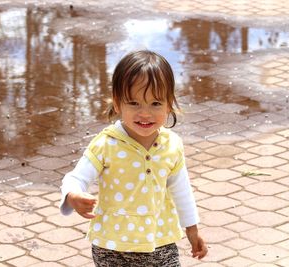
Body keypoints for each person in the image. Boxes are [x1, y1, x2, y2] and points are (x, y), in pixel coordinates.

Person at [60, 50, 207, 266]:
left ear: (169, 104)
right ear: (118, 104)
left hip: (160, 242)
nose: (145, 113)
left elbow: (181, 190)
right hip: (112, 247)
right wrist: (73, 195)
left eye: (155, 103)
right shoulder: (106, 144)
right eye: (134, 103)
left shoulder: (171, 145)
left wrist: (192, 230)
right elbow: (76, 178)